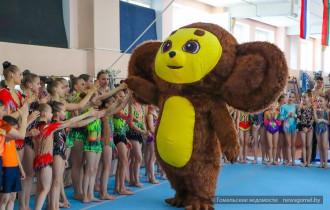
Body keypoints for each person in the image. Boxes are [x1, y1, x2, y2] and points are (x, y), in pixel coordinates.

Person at [280, 90, 298, 166]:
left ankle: (293, 161)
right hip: (286, 126)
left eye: (292, 97)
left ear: (295, 98)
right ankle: (288, 161)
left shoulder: (296, 106)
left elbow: (299, 116)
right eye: (289, 96)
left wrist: (294, 115)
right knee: (288, 144)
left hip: (294, 125)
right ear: (287, 96)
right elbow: (280, 118)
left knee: (293, 144)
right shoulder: (283, 107)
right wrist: (287, 115)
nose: (290, 98)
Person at [297, 89, 314, 167]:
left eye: (305, 97)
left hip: (310, 128)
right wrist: (299, 127)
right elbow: (298, 118)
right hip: (302, 127)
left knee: (309, 144)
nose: (303, 99)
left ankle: (308, 162)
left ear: (309, 97)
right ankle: (304, 161)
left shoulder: (312, 106)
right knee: (303, 144)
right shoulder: (300, 106)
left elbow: (313, 119)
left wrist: (308, 127)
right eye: (302, 97)